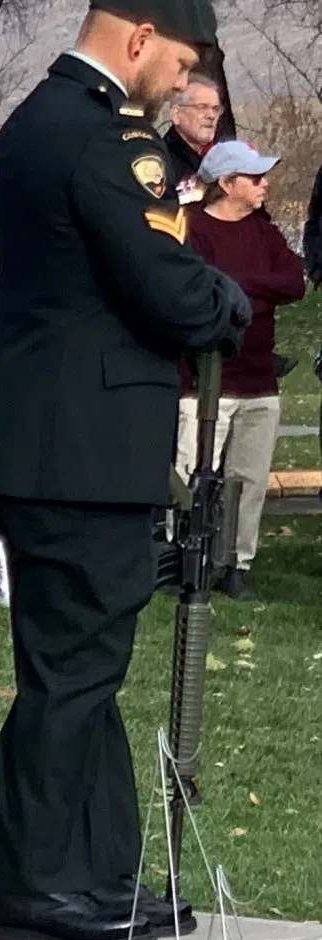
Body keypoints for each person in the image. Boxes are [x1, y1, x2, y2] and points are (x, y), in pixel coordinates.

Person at [0, 0, 249, 940]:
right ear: (134, 39)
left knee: (78, 666)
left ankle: (85, 874)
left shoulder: (36, 124)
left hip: (51, 437)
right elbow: (164, 285)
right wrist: (225, 302)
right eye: (175, 64)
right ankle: (40, 887)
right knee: (73, 669)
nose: (178, 86)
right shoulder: (100, 138)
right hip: (76, 445)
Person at [178, 139, 306, 599]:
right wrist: (248, 293)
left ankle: (235, 563)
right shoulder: (191, 228)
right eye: (254, 178)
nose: (264, 184)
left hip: (258, 379)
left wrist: (235, 289)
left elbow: (293, 282)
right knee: (194, 473)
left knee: (249, 480)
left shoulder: (265, 232)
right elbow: (194, 289)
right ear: (227, 184)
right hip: (203, 382)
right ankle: (187, 560)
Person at [158, 71, 229, 200]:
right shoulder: (161, 164)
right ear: (176, 114)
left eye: (216, 109)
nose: (211, 116)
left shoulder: (224, 160)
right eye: (202, 107)